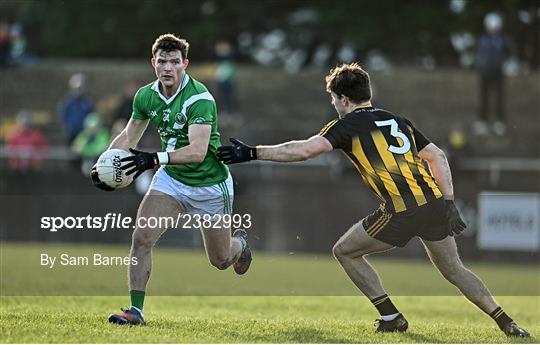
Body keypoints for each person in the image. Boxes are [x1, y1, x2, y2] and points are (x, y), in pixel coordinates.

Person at [217, 63, 530, 337]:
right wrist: (448, 201)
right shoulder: (397, 120)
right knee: (454, 270)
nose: (333, 104)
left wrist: (252, 152)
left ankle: (391, 316)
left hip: (401, 210)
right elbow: (438, 156)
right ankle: (506, 322)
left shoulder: (347, 125)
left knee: (345, 251)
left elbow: (303, 150)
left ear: (344, 99)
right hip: (433, 203)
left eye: (333, 98)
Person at [91, 34, 252, 325]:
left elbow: (198, 151)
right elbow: (130, 135)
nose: (168, 67)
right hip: (171, 180)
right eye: (162, 61)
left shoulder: (200, 98)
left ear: (185, 64)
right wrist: (104, 162)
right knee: (141, 238)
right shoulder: (145, 96)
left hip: (210, 185)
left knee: (220, 260)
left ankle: (238, 244)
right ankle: (135, 311)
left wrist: (153, 159)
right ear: (154, 63)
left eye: (174, 62)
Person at [474, 12, 513, 136]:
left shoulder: (503, 40)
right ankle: (482, 122)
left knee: (499, 98)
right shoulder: (483, 40)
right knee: (484, 97)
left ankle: (499, 122)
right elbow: (479, 54)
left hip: (498, 72)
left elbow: (509, 54)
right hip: (485, 72)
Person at [57, 73, 94, 145]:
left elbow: (91, 116)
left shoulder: (87, 102)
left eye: (80, 88)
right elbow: (62, 115)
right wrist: (67, 128)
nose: (78, 91)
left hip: (84, 134)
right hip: (71, 133)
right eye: (76, 88)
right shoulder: (67, 102)